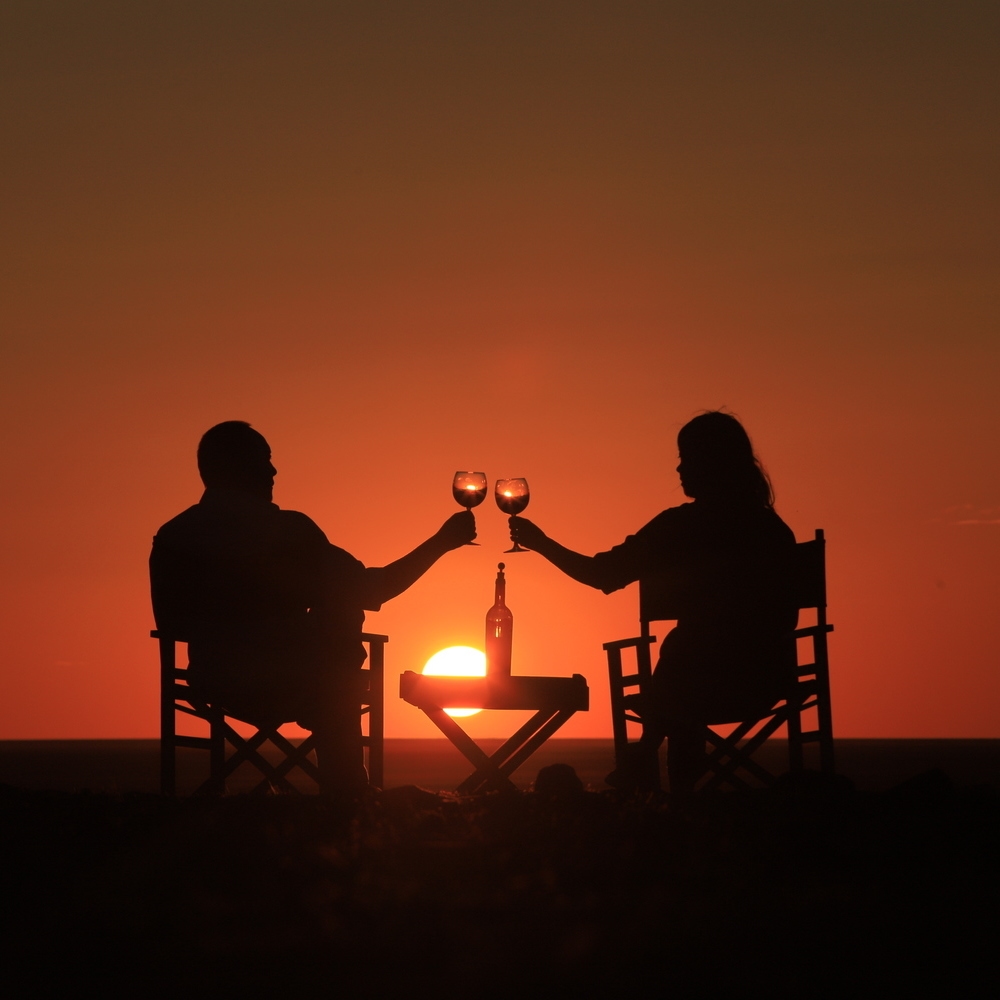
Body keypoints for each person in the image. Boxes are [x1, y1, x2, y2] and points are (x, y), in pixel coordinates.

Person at [150, 421, 475, 796]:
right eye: (265, 460)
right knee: (342, 631)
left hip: (214, 681)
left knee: (337, 626)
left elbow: (169, 622)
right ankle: (348, 791)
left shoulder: (173, 535)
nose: (273, 471)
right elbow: (372, 589)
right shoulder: (287, 532)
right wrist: (441, 542)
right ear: (238, 467)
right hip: (292, 684)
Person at [508, 411, 797, 795]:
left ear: (711, 463)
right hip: (767, 679)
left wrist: (541, 543)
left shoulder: (678, 528)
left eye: (687, 457)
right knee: (688, 653)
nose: (679, 468)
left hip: (696, 686)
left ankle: (663, 780)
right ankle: (652, 767)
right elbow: (786, 617)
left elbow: (603, 575)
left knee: (686, 659)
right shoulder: (774, 530)